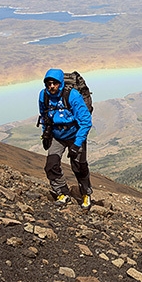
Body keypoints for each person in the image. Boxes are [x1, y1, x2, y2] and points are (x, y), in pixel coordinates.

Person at [38, 68, 93, 209]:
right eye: (48, 83)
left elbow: (86, 121)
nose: (51, 86)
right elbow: (44, 116)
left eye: (54, 83)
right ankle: (63, 193)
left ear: (60, 83)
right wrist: (46, 134)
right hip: (57, 135)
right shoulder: (43, 96)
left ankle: (85, 194)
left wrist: (77, 144)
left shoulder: (72, 96)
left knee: (79, 166)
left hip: (75, 135)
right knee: (51, 165)